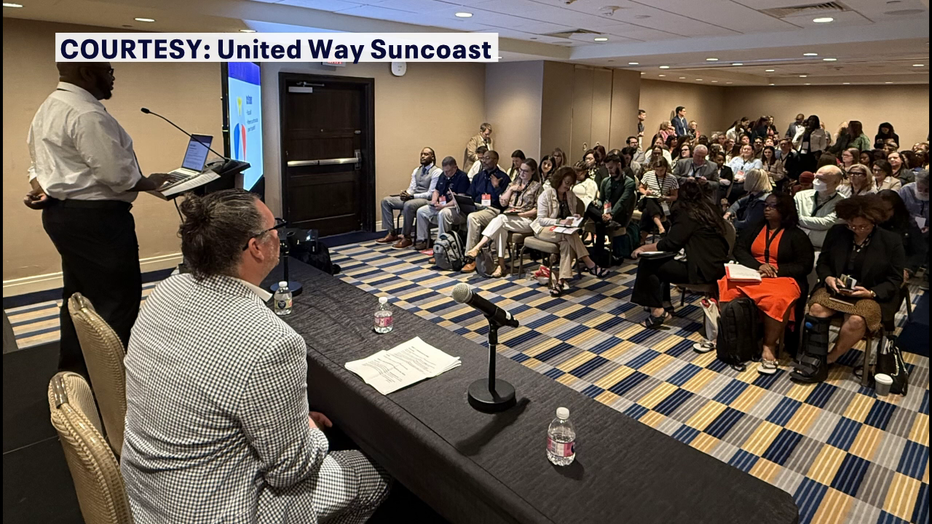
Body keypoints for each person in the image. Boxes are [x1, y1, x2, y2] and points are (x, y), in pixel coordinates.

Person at [121, 189, 392, 523]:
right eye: (274, 227)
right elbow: (292, 471)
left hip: (146, 494)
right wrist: (310, 431)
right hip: (218, 512)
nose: (279, 233)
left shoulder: (166, 289)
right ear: (256, 248)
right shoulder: (273, 342)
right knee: (376, 469)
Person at [24, 61, 171, 378]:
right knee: (116, 304)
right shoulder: (86, 113)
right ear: (87, 73)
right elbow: (116, 175)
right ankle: (114, 386)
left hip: (64, 216)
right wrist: (152, 182)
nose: (112, 77)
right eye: (108, 71)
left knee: (79, 300)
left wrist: (43, 188)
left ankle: (76, 376)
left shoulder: (50, 106)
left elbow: (38, 166)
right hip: (98, 222)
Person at [791, 195, 905, 383]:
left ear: (874, 221)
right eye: (853, 226)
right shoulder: (837, 232)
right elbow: (823, 262)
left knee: (856, 320)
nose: (857, 230)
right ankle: (814, 356)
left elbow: (895, 279)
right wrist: (828, 278)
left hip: (870, 294)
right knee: (816, 309)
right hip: (836, 289)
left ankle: (829, 358)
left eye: (863, 227)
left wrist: (871, 292)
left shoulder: (890, 240)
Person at [720, 193, 814, 374]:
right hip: (754, 272)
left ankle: (769, 345)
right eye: (766, 205)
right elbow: (739, 250)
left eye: (773, 206)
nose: (767, 209)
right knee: (727, 283)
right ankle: (728, 336)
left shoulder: (797, 235)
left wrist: (776, 270)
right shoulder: (755, 228)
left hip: (782, 278)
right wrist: (758, 265)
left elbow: (804, 265)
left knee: (777, 299)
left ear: (784, 209)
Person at [632, 179, 729, 328]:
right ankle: (665, 303)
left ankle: (657, 312)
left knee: (648, 263)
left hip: (701, 270)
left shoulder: (687, 213)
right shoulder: (709, 209)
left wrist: (645, 248)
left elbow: (672, 243)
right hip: (715, 264)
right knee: (662, 259)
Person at [531, 167, 610, 296]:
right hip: (543, 229)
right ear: (559, 180)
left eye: (570, 184)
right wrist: (559, 221)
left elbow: (570, 214)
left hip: (563, 231)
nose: (568, 187)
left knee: (567, 244)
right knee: (569, 234)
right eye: (566, 183)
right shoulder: (546, 195)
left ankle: (560, 282)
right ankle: (590, 264)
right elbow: (541, 220)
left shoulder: (570, 195)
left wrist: (574, 217)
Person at [464, 159, 542, 278]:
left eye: (525, 171)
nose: (522, 173)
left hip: (527, 220)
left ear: (533, 172)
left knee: (500, 218)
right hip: (510, 217)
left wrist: (522, 214)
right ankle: (501, 265)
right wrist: (511, 190)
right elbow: (503, 202)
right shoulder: (514, 183)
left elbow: (537, 210)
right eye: (520, 170)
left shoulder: (537, 187)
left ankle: (478, 246)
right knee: (501, 228)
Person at [377, 147, 441, 248]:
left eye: (426, 154)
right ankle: (392, 233)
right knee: (386, 201)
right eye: (421, 154)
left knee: (408, 205)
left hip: (426, 200)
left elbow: (430, 194)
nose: (423, 156)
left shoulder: (436, 172)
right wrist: (405, 193)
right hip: (413, 197)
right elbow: (412, 188)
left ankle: (406, 237)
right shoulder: (416, 170)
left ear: (432, 157)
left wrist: (412, 196)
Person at [461, 150, 511, 272]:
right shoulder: (478, 177)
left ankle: (470, 258)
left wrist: (496, 187)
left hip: (493, 209)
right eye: (483, 158)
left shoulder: (503, 178)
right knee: (456, 212)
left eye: (487, 158)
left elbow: (504, 202)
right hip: (477, 206)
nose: (484, 161)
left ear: (496, 160)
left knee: (473, 218)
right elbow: (470, 194)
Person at [414, 156, 470, 250]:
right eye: (444, 171)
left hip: (455, 208)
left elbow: (460, 198)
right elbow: (436, 190)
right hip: (441, 205)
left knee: (443, 213)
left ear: (455, 167)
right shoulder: (443, 175)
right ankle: (423, 240)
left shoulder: (462, 177)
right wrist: (434, 201)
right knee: (421, 211)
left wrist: (444, 206)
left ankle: (441, 244)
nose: (446, 173)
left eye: (448, 171)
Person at [593, 154, 638, 263]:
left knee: (599, 223)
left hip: (619, 215)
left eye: (611, 168)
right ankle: (598, 255)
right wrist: (597, 204)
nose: (610, 171)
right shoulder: (606, 181)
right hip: (605, 213)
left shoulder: (629, 183)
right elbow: (602, 199)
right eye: (608, 168)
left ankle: (598, 255)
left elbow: (622, 202)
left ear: (619, 165)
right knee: (592, 211)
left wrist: (611, 214)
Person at [878, 189, 927, 284]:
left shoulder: (909, 224)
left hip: (899, 268)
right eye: (880, 210)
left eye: (887, 210)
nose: (883, 214)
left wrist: (907, 269)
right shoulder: (871, 222)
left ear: (896, 208)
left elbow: (919, 252)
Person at [795, 165, 844, 249]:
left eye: (822, 179)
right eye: (816, 177)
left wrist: (798, 219)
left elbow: (827, 223)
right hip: (797, 245)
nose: (816, 181)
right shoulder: (800, 196)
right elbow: (791, 218)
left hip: (823, 248)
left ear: (836, 182)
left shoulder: (843, 202)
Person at [637, 157, 678, 241]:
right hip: (648, 199)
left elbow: (675, 196)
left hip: (662, 203)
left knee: (647, 212)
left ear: (666, 168)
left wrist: (665, 197)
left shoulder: (672, 178)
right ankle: (660, 227)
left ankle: (642, 239)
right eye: (657, 170)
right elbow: (640, 188)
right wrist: (645, 192)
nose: (659, 172)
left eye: (661, 170)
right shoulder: (648, 175)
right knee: (650, 200)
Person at [724, 169, 772, 234]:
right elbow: (738, 203)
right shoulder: (755, 194)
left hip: (748, 234)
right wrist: (729, 213)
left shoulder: (761, 202)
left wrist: (731, 221)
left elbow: (748, 224)